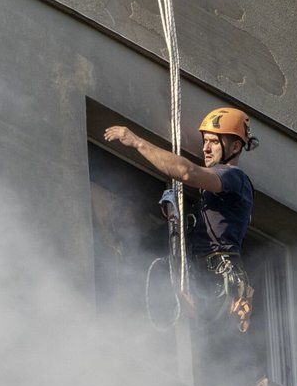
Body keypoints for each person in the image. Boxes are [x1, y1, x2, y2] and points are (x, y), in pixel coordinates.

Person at [103, 107, 258, 332]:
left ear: (235, 147)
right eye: (205, 141)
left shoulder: (235, 178)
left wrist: (137, 142)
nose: (205, 147)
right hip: (206, 278)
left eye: (214, 142)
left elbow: (188, 174)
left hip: (214, 281)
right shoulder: (211, 198)